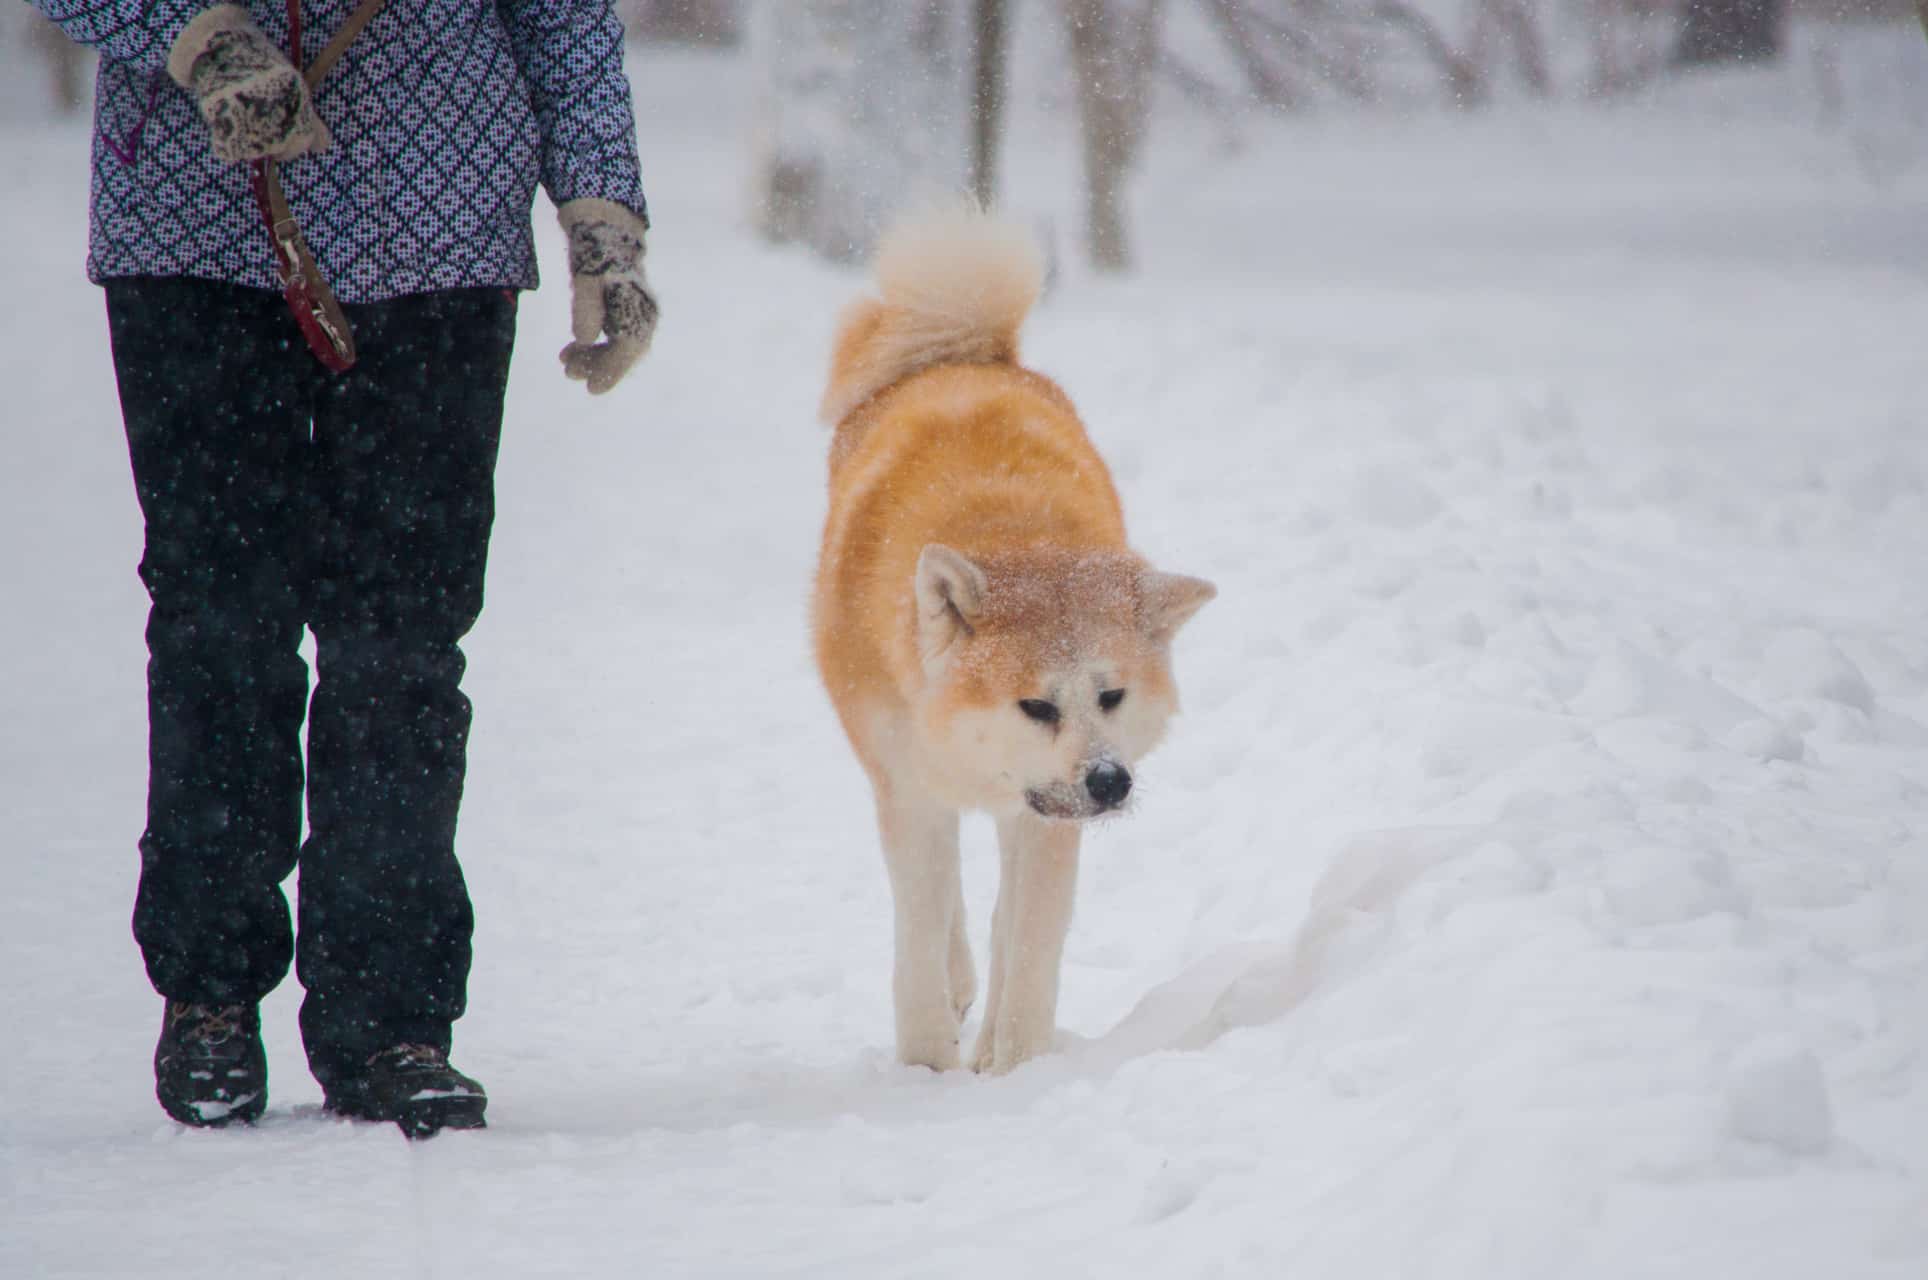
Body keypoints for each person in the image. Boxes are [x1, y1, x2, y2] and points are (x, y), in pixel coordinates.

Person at [29, 0, 658, 1137]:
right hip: (192, 226)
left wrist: (602, 220)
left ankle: (391, 1016)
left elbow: (563, 15)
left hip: (442, 228)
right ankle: (211, 987)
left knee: (402, 641)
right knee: (219, 619)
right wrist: (196, 36)